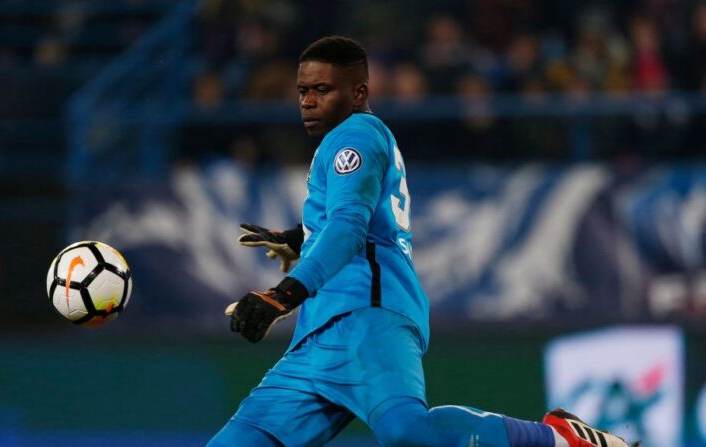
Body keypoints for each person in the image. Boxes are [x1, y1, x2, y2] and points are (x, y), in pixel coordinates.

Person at [208, 36, 636, 447]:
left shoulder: (354, 135)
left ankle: (558, 438)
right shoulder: (346, 143)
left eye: (322, 89)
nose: (307, 101)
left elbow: (349, 227)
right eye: (303, 90)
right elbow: (354, 223)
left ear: (358, 93)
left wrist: (282, 295)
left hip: (366, 315)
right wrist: (298, 238)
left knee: (407, 431)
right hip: (318, 335)